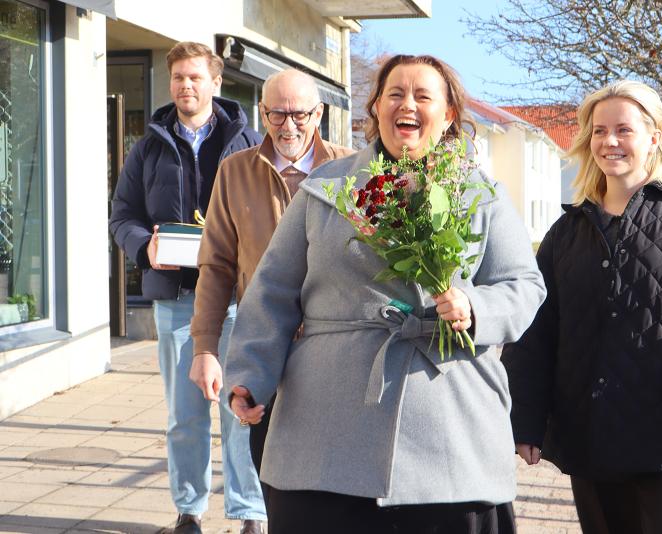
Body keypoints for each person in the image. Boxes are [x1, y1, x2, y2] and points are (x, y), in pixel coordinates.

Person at [222, 54, 547, 534]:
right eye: (395, 94)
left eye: (422, 96)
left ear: (448, 114)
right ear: (376, 108)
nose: (406, 104)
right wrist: (250, 375)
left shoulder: (482, 194)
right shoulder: (326, 189)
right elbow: (272, 289)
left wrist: (474, 307)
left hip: (448, 425)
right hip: (326, 423)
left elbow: (524, 285)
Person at [501, 80, 662, 533]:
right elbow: (535, 330)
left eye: (623, 130)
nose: (609, 141)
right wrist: (525, 420)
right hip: (591, 444)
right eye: (599, 131)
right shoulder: (566, 233)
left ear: (653, 137)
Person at [109, 42, 265, 534]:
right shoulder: (148, 147)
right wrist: (144, 247)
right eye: (178, 77)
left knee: (241, 409)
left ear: (216, 82)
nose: (185, 85)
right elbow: (122, 216)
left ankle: (250, 512)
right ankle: (190, 509)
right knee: (184, 415)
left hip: (238, 300)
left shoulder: (248, 143)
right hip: (177, 300)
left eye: (195, 77)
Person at [189, 68, 353, 491]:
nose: (288, 125)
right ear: (262, 114)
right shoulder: (234, 172)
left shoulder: (351, 171)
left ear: (319, 114)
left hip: (335, 348)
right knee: (271, 472)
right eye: (277, 114)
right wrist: (205, 348)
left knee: (335, 478)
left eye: (299, 114)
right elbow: (216, 265)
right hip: (265, 346)